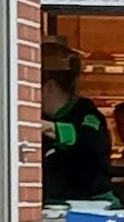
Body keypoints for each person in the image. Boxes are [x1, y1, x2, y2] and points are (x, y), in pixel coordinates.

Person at [41, 50, 115, 205]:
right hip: (51, 204)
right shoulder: (43, 117)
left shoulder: (85, 114)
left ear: (50, 86)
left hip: (91, 204)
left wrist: (46, 128)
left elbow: (92, 140)